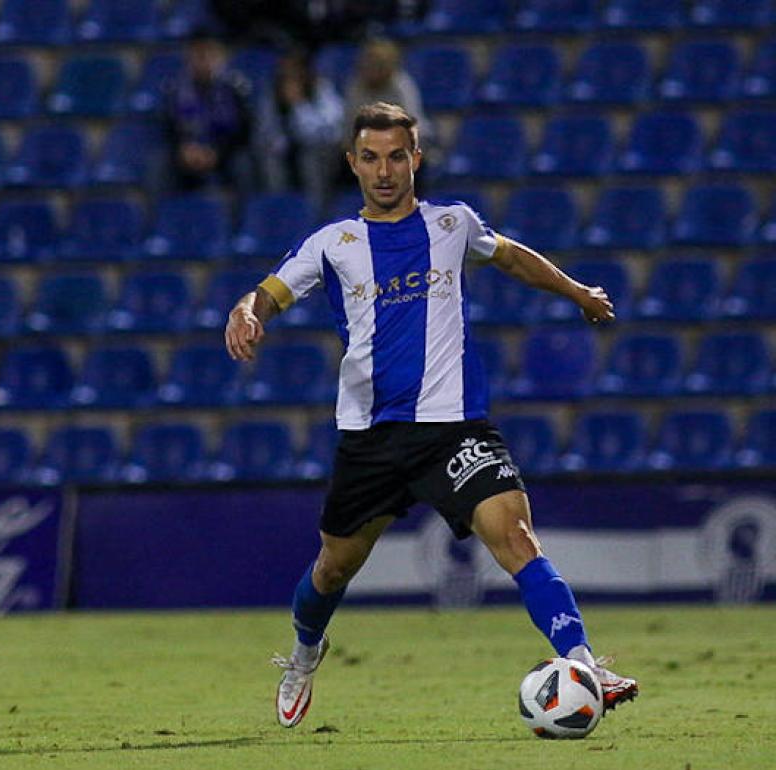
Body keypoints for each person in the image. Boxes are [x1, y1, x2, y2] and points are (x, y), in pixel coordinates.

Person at [223, 102, 639, 729]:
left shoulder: (452, 224)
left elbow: (511, 256)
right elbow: (271, 291)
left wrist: (576, 290)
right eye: (370, 158)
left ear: (416, 158)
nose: (384, 171)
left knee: (517, 537)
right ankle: (306, 650)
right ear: (352, 163)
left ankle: (582, 663)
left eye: (397, 156)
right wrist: (246, 311)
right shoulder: (332, 244)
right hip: (371, 437)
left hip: (454, 429)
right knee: (333, 567)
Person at [160, 28, 254, 192]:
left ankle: (246, 215)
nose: (204, 60)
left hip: (227, 152)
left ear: (221, 57)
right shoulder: (175, 88)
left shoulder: (236, 87)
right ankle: (165, 216)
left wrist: (217, 153)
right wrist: (183, 149)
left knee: (243, 164)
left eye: (210, 53)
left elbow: (244, 131)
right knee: (158, 164)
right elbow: (169, 127)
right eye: (198, 54)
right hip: (189, 151)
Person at [254, 48, 345, 216]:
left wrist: (297, 105)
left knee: (309, 159)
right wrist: (278, 143)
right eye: (285, 70)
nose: (290, 76)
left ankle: (316, 214)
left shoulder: (321, 89)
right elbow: (265, 130)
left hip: (319, 151)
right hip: (286, 150)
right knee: (270, 160)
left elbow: (330, 129)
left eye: (294, 70)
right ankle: (281, 212)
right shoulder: (272, 94)